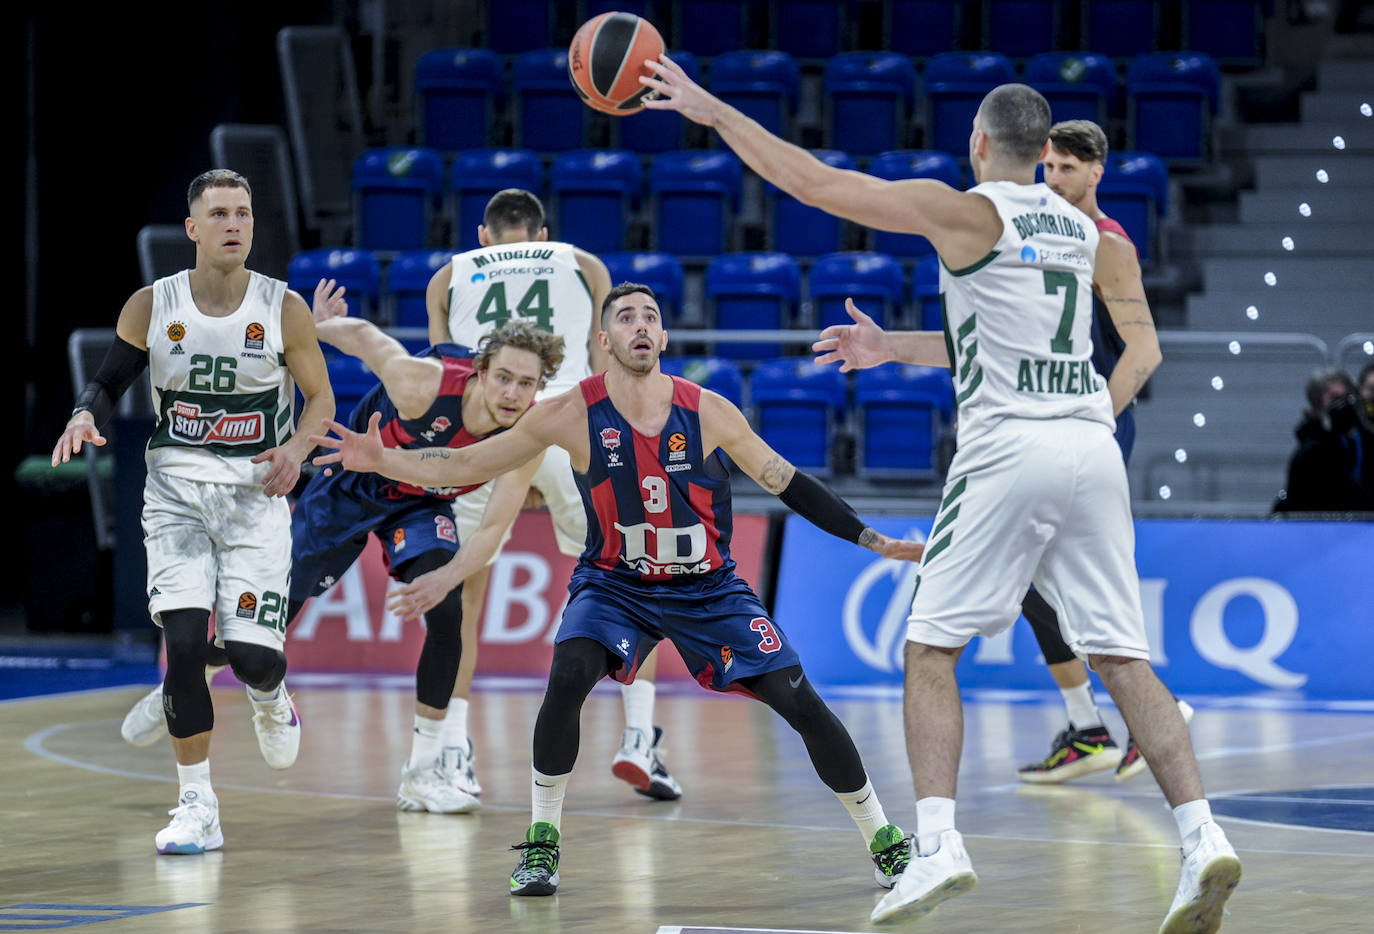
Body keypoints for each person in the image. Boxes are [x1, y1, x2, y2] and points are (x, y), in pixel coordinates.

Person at [638, 63, 1241, 932]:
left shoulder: (969, 211)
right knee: (1122, 656)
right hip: (1091, 445)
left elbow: (813, 183)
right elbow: (1037, 339)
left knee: (928, 648)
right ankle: (1201, 836)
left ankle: (937, 847)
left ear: (980, 142)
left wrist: (710, 109)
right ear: (1044, 151)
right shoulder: (1093, 233)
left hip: (1010, 447)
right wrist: (893, 347)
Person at [311, 283, 927, 899]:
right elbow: (467, 464)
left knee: (800, 701)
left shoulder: (708, 410)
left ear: (663, 337)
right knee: (568, 674)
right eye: (626, 317)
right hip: (614, 583)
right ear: (604, 340)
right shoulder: (569, 412)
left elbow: (788, 482)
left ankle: (883, 838)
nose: (641, 326)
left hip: (707, 588)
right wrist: (386, 460)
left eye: (651, 317)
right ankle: (542, 843)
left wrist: (871, 539)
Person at [120, 293, 566, 815]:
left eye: (526, 383)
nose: (513, 393)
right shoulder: (421, 383)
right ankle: (193, 677)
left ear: (540, 387)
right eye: (504, 377)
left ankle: (423, 772)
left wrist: (445, 579)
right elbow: (365, 338)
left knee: (448, 615)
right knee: (264, 626)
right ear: (481, 372)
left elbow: (492, 530)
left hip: (422, 505)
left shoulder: (527, 435)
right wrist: (317, 327)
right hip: (351, 484)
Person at [51, 169, 334, 855]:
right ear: (193, 228)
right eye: (220, 213)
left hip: (255, 497)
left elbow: (321, 400)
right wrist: (85, 414)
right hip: (175, 493)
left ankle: (270, 693)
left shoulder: (284, 307)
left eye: (244, 213)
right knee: (181, 644)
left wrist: (296, 448)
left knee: (253, 657)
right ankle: (197, 805)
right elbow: (109, 380)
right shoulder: (154, 303)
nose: (234, 224)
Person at [426, 188, 682, 800]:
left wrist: (514, 461)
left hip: (490, 431)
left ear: (483, 236)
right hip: (572, 427)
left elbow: (446, 374)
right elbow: (608, 360)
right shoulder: (583, 264)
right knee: (637, 579)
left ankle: (453, 753)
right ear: (544, 236)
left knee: (464, 597)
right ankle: (639, 738)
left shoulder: (448, 276)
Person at [1017, 119, 1193, 785]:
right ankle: (1087, 726)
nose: (1054, 178)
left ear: (1097, 172)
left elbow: (1144, 352)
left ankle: (1154, 714)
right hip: (1054, 424)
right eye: (1048, 167)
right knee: (1033, 579)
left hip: (1095, 425)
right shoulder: (1044, 237)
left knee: (1077, 580)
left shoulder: (1106, 241)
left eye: (1068, 168)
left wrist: (1095, 420)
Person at [1273, 366, 1374, 512]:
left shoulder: (1363, 441)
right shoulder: (1311, 453)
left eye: (1347, 398)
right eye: (1335, 399)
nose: (1343, 406)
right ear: (1317, 406)